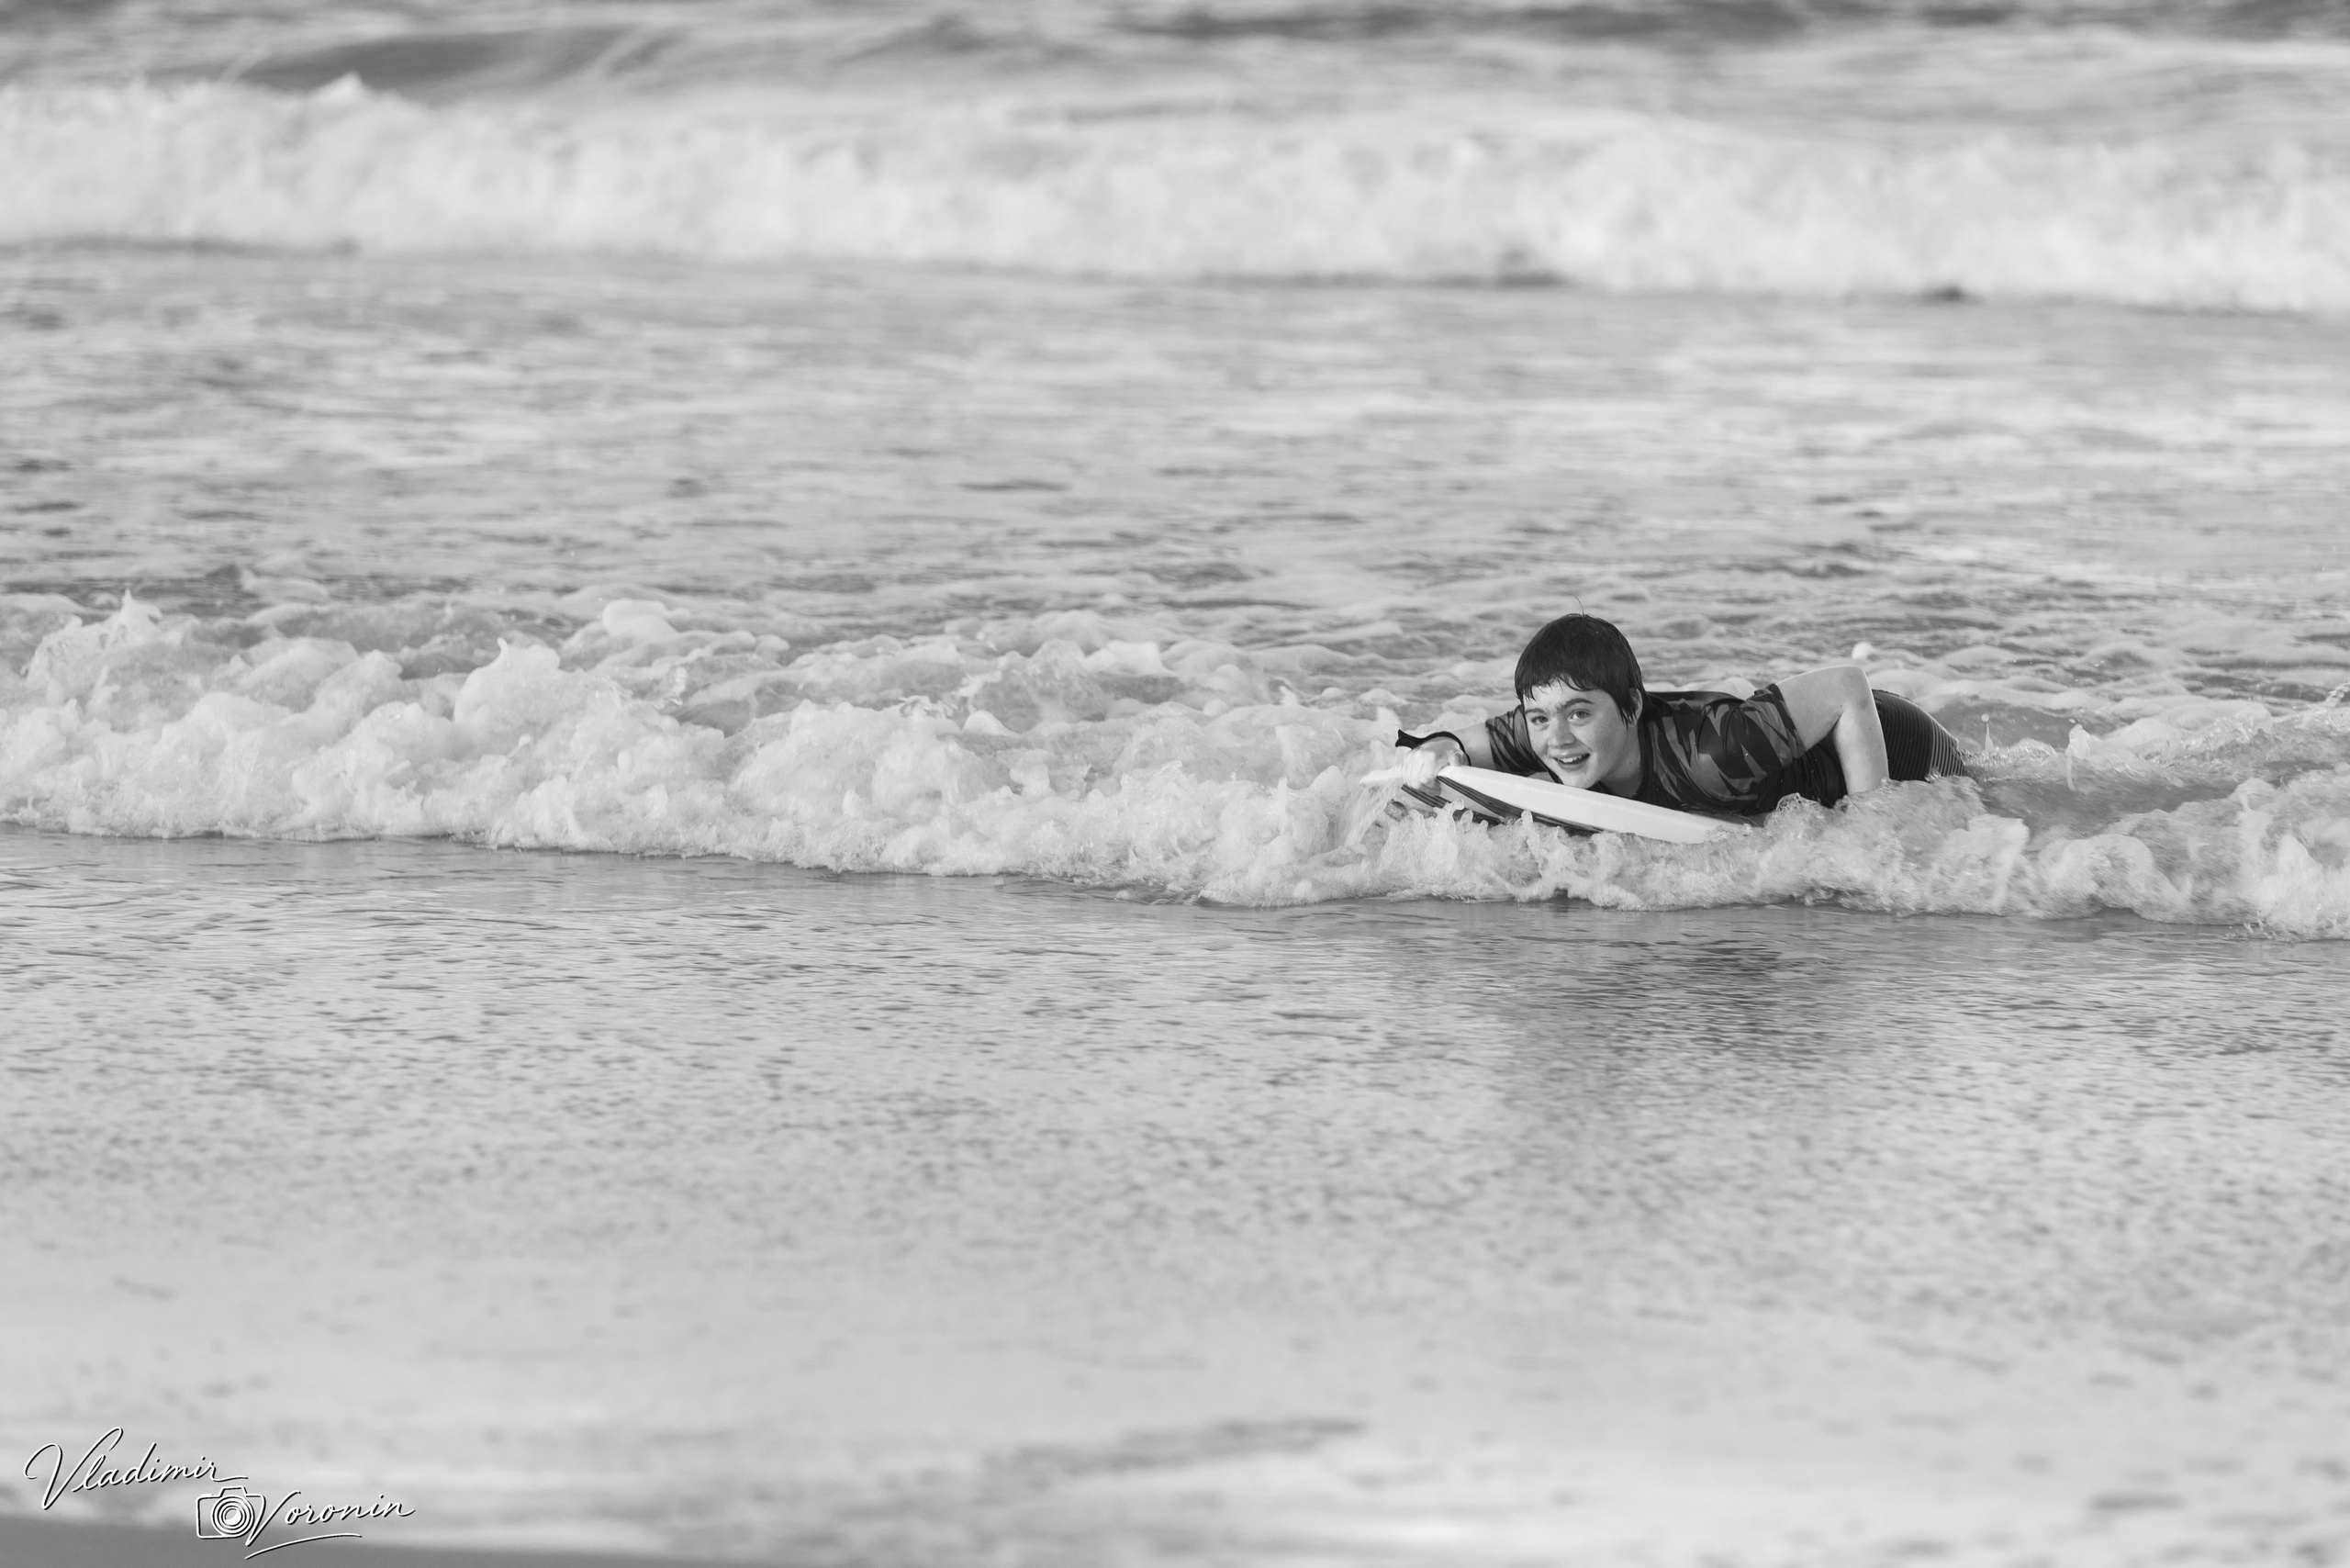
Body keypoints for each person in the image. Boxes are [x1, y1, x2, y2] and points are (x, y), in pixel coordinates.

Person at [1397, 612, 1966, 818]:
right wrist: (1440, 747)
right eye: (1540, 718)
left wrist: (1872, 824)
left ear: (1630, 708)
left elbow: (1847, 686)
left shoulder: (1712, 756)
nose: (1558, 738)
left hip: (1905, 744)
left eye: (1578, 713)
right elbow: (1461, 744)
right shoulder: (1554, 731)